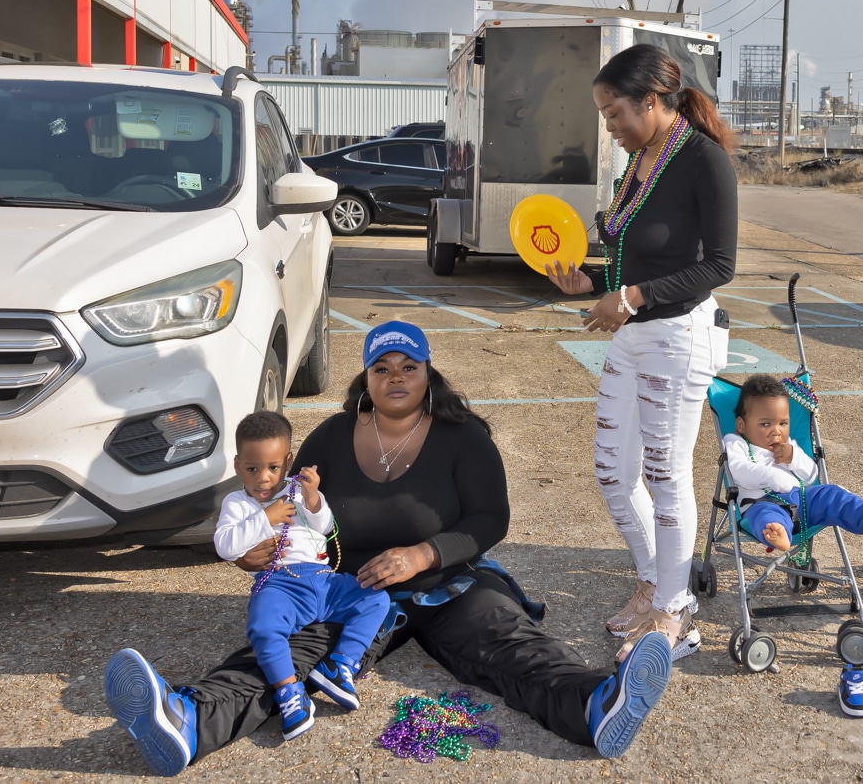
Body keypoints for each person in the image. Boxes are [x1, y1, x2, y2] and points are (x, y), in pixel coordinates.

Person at [102, 320, 674, 777]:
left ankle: (597, 704)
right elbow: (288, 505)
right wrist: (264, 546)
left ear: (428, 373)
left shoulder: (464, 438)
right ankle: (189, 720)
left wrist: (423, 554)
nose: (395, 376)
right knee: (284, 652)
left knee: (508, 644)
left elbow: (490, 519)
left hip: (447, 584)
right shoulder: (328, 436)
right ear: (367, 378)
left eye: (409, 366)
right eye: (382, 367)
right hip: (348, 587)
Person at [547, 43, 738, 663]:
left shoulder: (703, 160)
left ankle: (676, 617)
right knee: (613, 473)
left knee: (664, 476)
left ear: (651, 102)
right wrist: (594, 283)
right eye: (605, 115)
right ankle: (657, 583)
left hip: (678, 335)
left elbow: (719, 264)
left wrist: (630, 297)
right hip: (632, 334)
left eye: (614, 113)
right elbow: (638, 252)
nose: (609, 126)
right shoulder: (639, 160)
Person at [207, 410, 390, 741]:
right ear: (237, 465)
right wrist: (266, 516)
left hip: (323, 578)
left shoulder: (295, 489)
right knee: (262, 628)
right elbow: (225, 545)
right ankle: (290, 694)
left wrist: (314, 499)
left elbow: (325, 529)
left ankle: (340, 666)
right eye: (252, 469)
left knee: (376, 597)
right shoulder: (237, 503)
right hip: (280, 584)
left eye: (273, 468)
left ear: (288, 461)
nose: (264, 478)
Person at [725, 374, 863, 551]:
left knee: (833, 494)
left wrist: (794, 458)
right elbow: (738, 471)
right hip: (762, 503)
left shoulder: (788, 446)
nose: (776, 431)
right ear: (742, 425)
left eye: (783, 424)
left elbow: (811, 476)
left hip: (802, 501)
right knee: (766, 517)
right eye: (765, 424)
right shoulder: (736, 443)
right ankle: (779, 534)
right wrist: (773, 477)